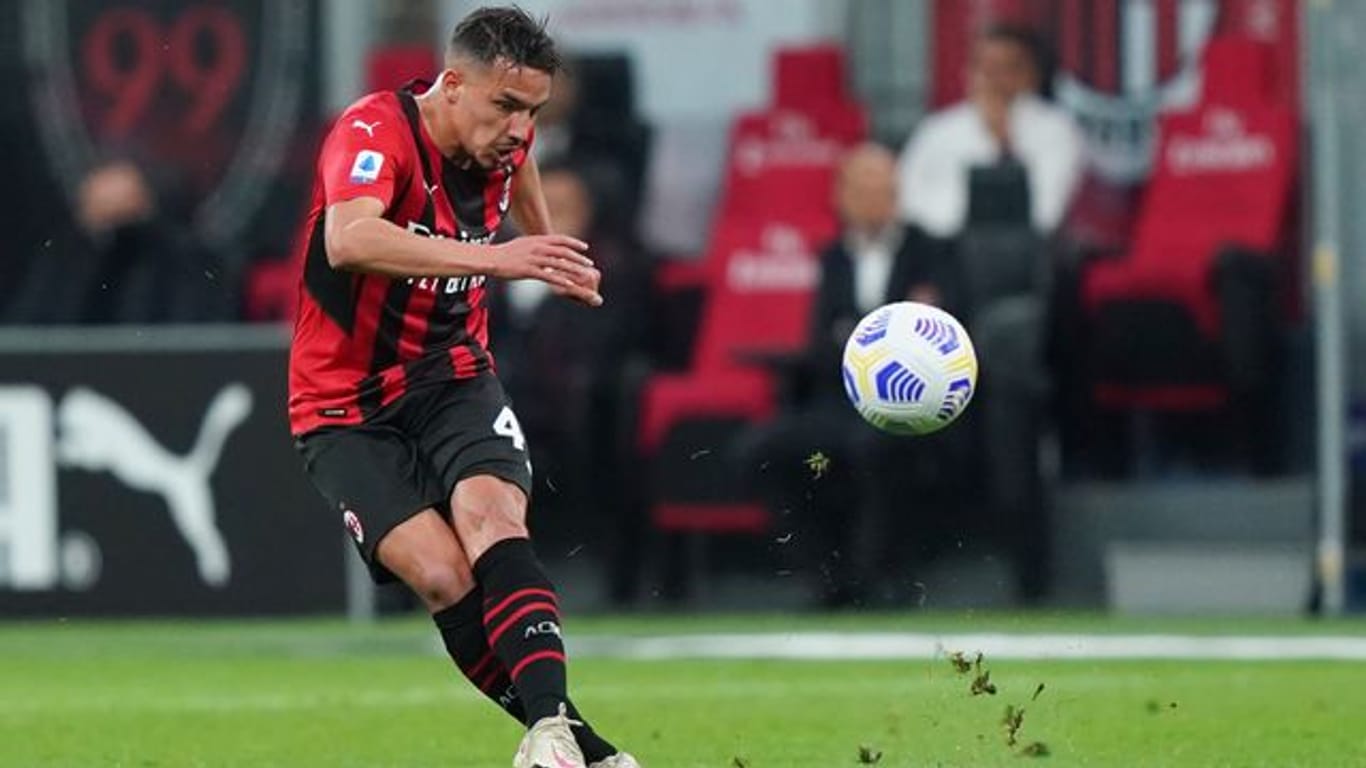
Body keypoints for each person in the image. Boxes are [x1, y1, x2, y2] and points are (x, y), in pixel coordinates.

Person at [287, 8, 637, 768]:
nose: (520, 129)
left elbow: (521, 167)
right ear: (451, 85)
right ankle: (586, 745)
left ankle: (547, 734)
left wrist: (549, 247)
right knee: (443, 575)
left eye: (534, 111)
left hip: (452, 371)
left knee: (492, 519)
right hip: (342, 402)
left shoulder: (505, 138)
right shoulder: (374, 131)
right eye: (506, 106)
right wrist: (505, 260)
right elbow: (348, 240)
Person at [736, 143, 962, 608]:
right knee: (764, 450)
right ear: (840, 196)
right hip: (837, 404)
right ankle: (825, 576)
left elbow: (949, 336)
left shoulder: (933, 252)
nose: (872, 199)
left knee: (872, 450)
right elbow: (823, 343)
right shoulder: (832, 257)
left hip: (911, 408)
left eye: (883, 189)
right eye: (861, 189)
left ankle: (875, 579)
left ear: (898, 194)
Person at [896, 24, 1083, 239]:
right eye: (986, 68)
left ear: (1031, 75)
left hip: (1019, 257)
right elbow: (904, 202)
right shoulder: (938, 129)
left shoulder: (1056, 130)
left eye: (1007, 69)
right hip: (938, 253)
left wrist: (1001, 142)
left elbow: (1044, 214)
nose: (995, 81)